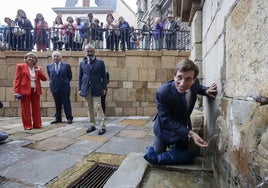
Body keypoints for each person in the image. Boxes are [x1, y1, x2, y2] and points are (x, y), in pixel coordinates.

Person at [144, 58, 217, 165]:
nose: (182, 83)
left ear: (193, 79)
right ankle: (151, 151)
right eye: (179, 77)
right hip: (163, 128)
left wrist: (206, 90)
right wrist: (190, 133)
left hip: (182, 127)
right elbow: (166, 121)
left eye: (188, 79)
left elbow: (198, 87)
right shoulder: (162, 92)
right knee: (157, 158)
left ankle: (174, 151)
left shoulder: (195, 83)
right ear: (174, 76)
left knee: (184, 159)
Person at [78, 44, 107, 135]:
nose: (89, 53)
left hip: (97, 87)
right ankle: (92, 125)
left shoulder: (100, 62)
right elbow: (80, 77)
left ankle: (102, 126)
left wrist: (104, 88)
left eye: (91, 51)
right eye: (88, 51)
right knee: (89, 107)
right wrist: (80, 89)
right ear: (86, 52)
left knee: (98, 106)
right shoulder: (82, 63)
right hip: (86, 88)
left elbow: (104, 77)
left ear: (94, 52)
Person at [13, 52, 47, 130]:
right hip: (24, 90)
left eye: (32, 57)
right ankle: (27, 125)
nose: (31, 58)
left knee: (36, 108)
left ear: (35, 59)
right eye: (29, 57)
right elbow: (17, 80)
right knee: (25, 109)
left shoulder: (38, 68)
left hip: (36, 90)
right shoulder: (20, 66)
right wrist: (16, 92)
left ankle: (37, 124)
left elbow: (44, 79)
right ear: (26, 58)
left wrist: (39, 72)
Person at [47, 51, 73, 124]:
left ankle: (69, 118)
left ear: (60, 57)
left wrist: (64, 82)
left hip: (64, 87)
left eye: (57, 56)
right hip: (55, 87)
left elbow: (69, 77)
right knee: (57, 103)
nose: (56, 57)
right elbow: (50, 76)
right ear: (52, 57)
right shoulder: (49, 66)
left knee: (66, 103)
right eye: (54, 56)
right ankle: (58, 118)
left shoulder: (66, 66)